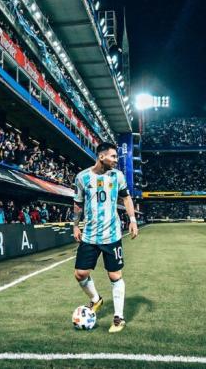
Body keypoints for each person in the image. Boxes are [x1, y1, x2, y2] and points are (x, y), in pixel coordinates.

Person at [72, 142, 138, 333]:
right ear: (101, 157)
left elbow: (126, 198)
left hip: (112, 234)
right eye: (113, 157)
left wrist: (132, 219)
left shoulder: (117, 176)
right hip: (90, 235)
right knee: (80, 273)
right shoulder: (82, 177)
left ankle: (119, 317)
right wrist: (75, 226)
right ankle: (95, 300)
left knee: (114, 275)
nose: (116, 160)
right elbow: (78, 204)